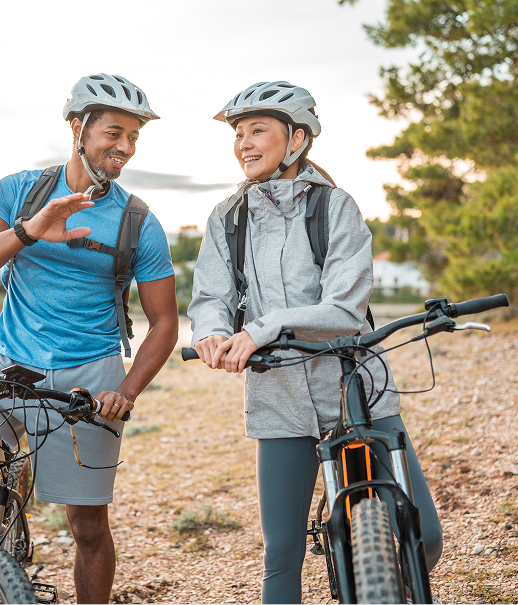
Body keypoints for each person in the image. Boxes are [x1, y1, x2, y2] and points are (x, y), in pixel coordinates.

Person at [0, 73, 179, 604]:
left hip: (89, 374)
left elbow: (164, 322)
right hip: (5, 361)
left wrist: (127, 391)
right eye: (114, 133)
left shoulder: (139, 221)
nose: (124, 147)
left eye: (133, 138)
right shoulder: (16, 191)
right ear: (78, 128)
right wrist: (28, 229)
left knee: (88, 527)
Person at [187, 81, 442, 603]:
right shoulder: (226, 219)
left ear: (297, 138)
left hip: (355, 388)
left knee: (426, 535)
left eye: (258, 130)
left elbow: (345, 308)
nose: (244, 143)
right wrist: (211, 331)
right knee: (282, 556)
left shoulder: (335, 207)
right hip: (277, 399)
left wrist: (261, 328)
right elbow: (211, 295)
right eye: (239, 133)